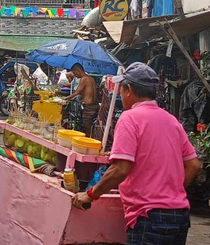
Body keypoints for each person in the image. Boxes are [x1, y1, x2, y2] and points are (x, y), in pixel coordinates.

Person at [72, 63, 202, 245]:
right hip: (179, 215)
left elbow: (120, 169)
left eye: (121, 89)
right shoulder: (171, 120)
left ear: (129, 90)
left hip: (149, 218)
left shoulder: (130, 118)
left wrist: (90, 194)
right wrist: (169, 191)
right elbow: (194, 165)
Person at [65, 63, 99, 136]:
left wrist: (65, 98)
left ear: (78, 70)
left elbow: (77, 92)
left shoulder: (84, 79)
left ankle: (88, 140)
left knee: (87, 127)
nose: (76, 76)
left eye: (75, 73)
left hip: (89, 107)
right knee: (90, 126)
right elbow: (87, 92)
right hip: (95, 105)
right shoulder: (91, 78)